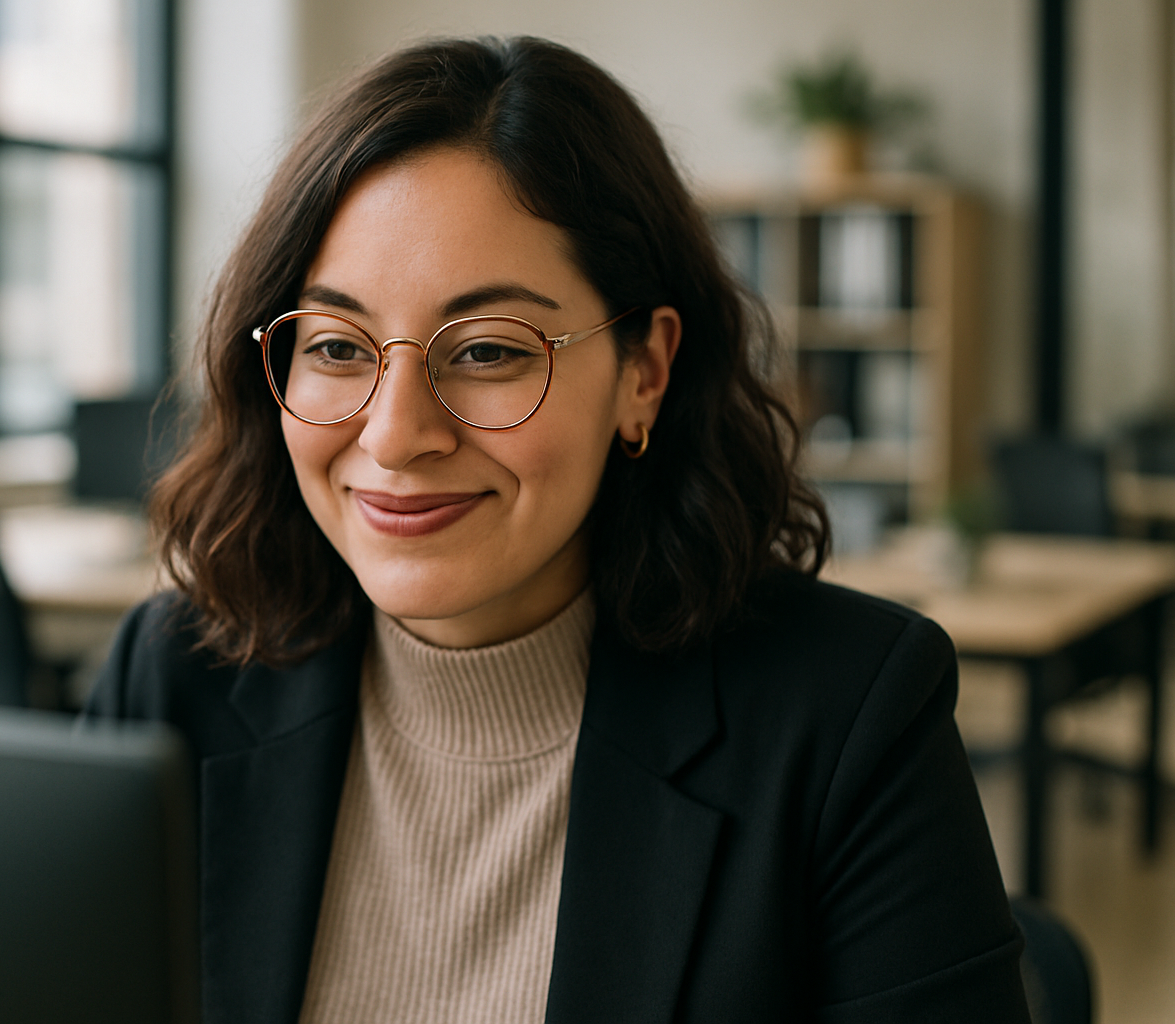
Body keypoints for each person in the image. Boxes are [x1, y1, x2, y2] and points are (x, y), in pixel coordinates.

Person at [86, 36, 1030, 1024]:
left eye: (489, 349)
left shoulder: (846, 716)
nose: (396, 433)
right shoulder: (171, 674)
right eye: (335, 345)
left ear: (643, 374)